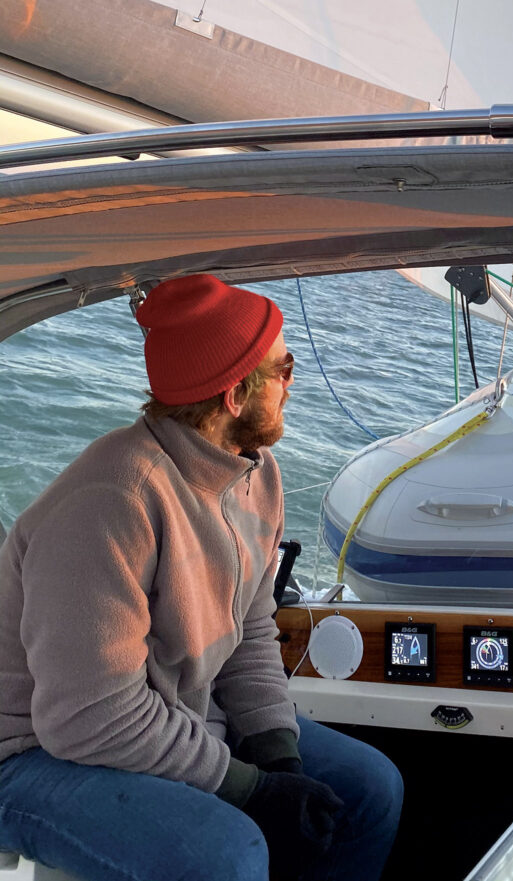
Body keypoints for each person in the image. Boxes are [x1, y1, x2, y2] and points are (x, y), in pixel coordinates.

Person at [0, 275, 403, 880]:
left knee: (370, 789)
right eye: (284, 367)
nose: (294, 383)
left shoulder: (254, 473)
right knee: (225, 855)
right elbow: (88, 718)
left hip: (169, 713)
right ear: (236, 394)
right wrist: (250, 789)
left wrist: (278, 757)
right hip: (33, 751)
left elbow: (251, 632)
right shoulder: (113, 501)